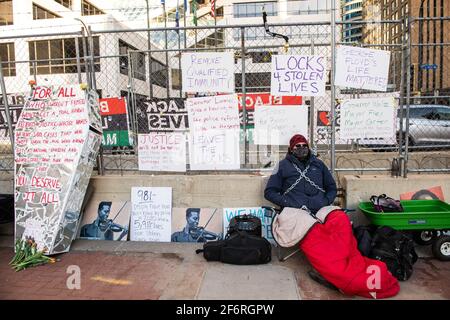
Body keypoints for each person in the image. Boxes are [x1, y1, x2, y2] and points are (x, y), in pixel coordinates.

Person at [264, 134, 337, 215]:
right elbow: (269, 192)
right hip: (295, 212)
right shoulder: (282, 166)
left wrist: (325, 201)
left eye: (304, 145)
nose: (301, 148)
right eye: (298, 145)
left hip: (320, 209)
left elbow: (331, 187)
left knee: (340, 218)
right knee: (309, 226)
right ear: (291, 149)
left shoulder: (318, 164)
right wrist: (287, 203)